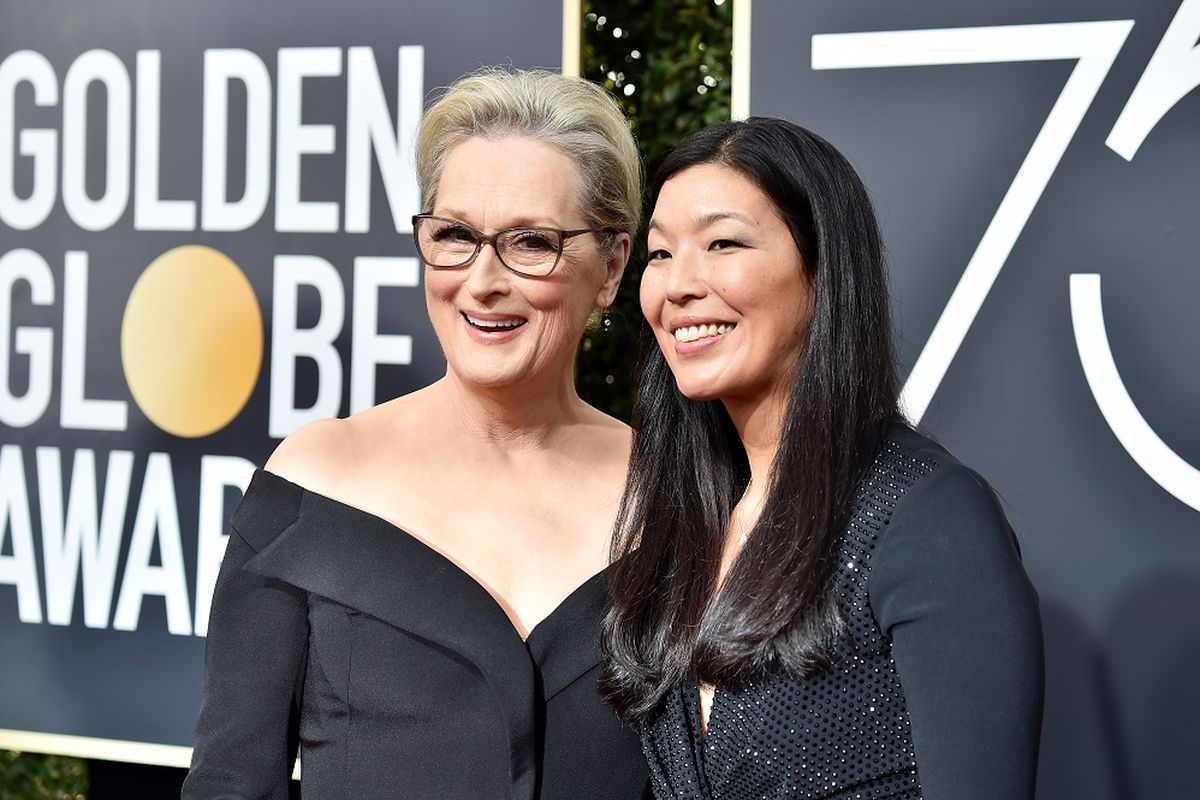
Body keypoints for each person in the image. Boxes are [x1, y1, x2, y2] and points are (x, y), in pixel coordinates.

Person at [183, 68, 649, 800]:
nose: (482, 280)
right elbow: (232, 782)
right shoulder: (316, 480)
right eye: (456, 235)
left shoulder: (679, 497)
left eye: (532, 242)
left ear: (613, 265)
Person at [601, 118, 1043, 799]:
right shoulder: (691, 525)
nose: (678, 285)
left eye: (723, 243)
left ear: (822, 268)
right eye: (660, 255)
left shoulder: (925, 517)